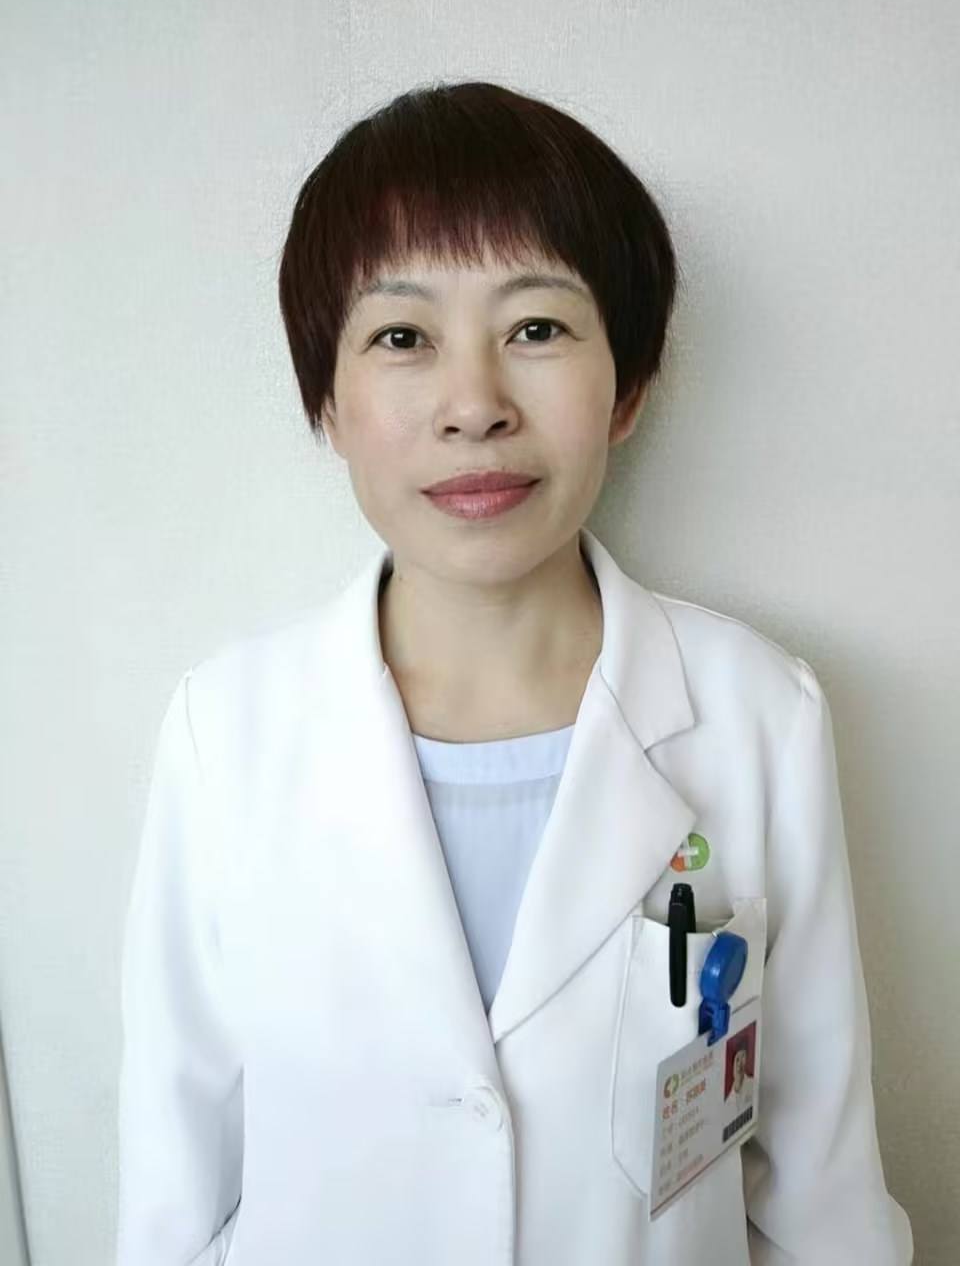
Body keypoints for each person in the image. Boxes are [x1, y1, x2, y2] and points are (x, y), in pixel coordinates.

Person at [115, 79, 913, 1265]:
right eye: (402, 336)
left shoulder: (760, 715)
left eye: (536, 328)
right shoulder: (224, 732)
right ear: (327, 400)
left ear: (628, 385)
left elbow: (824, 1202)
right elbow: (173, 1202)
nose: (475, 405)